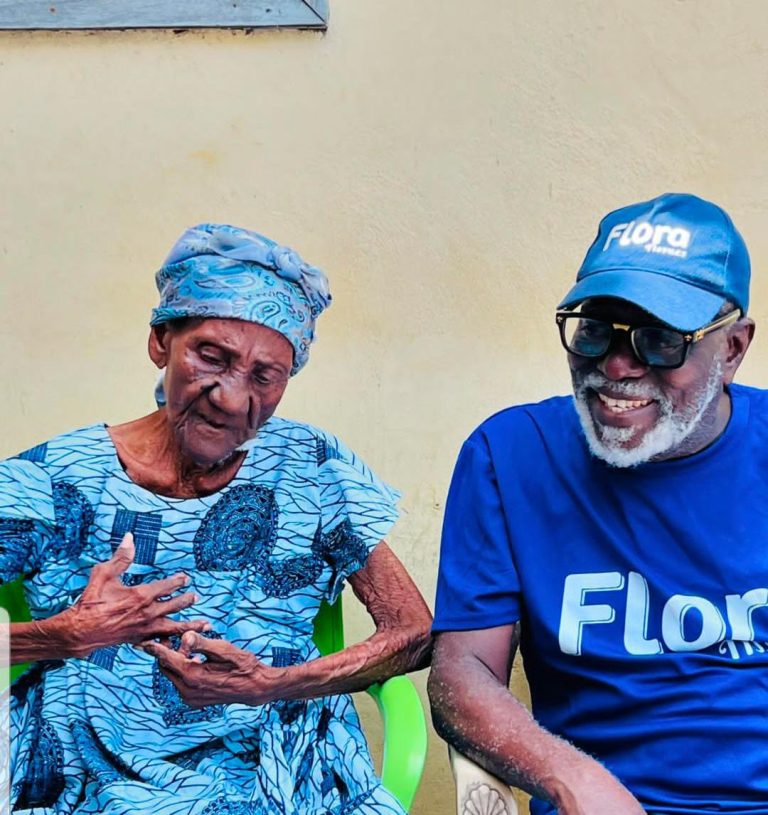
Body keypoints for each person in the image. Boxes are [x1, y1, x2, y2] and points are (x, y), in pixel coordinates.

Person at [3, 223, 432, 815]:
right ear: (160, 342)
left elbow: (413, 634)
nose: (231, 398)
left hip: (279, 778)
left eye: (265, 375)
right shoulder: (54, 479)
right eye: (211, 356)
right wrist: (61, 635)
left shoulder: (311, 466)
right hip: (87, 782)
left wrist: (274, 684)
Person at [427, 193, 764, 815]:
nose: (616, 365)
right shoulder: (510, 454)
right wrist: (569, 778)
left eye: (661, 340)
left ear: (734, 349)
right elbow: (463, 672)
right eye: (595, 330)